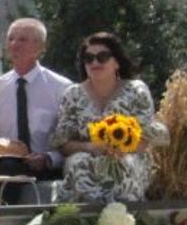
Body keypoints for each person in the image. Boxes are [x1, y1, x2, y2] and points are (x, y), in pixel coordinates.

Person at [53, 31, 164, 203]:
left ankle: (124, 220)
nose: (94, 62)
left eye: (102, 57)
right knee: (79, 164)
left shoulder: (136, 90)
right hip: (86, 157)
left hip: (129, 155)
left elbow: (145, 138)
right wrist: (92, 147)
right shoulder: (72, 94)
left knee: (123, 165)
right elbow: (63, 144)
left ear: (117, 62)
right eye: (88, 58)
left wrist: (120, 150)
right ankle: (85, 222)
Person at [0, 18, 72, 177]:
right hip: (5, 168)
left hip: (47, 169)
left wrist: (48, 158)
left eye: (22, 39)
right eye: (11, 39)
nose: (14, 44)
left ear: (40, 47)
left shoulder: (62, 88)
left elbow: (70, 140)